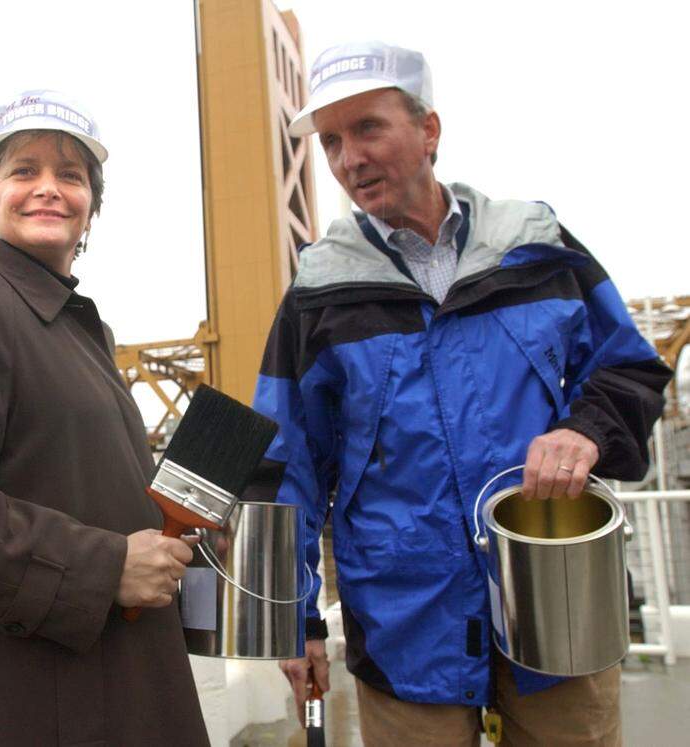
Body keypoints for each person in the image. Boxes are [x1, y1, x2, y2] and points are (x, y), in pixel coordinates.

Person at [250, 43, 671, 745]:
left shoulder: (536, 246)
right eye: (330, 141)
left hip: (556, 607)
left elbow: (629, 366)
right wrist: (295, 624)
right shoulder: (318, 296)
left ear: (430, 131)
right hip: (404, 626)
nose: (349, 158)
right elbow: (283, 462)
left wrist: (586, 428)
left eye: (368, 128)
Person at [0, 90, 208, 747]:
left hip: (106, 683)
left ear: (91, 209)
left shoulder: (87, 332)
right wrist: (107, 566)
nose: (48, 188)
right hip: (30, 703)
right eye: (24, 171)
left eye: (70, 176)